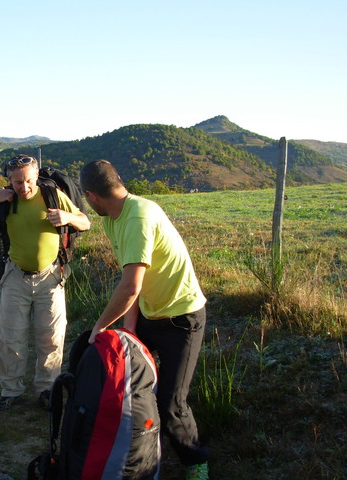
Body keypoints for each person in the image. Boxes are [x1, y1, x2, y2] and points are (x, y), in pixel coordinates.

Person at [79, 160, 210, 480]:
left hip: (183, 319)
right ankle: (134, 452)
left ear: (91, 196)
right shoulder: (114, 218)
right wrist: (130, 328)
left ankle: (197, 467)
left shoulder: (138, 215)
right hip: (150, 315)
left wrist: (101, 326)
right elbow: (134, 281)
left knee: (171, 403)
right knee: (127, 384)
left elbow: (130, 285)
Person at [0, 154, 90, 411]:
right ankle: (11, 391)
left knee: (51, 337)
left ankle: (47, 389)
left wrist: (67, 218)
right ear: (9, 180)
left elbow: (85, 222)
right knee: (10, 336)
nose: (24, 187)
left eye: (29, 181)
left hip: (51, 277)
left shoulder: (53, 195)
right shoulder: (4, 201)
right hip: (15, 276)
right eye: (17, 182)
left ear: (37, 176)